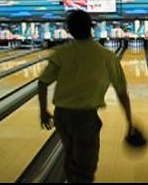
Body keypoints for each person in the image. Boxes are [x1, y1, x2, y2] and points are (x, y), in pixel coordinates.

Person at [38, 10, 132, 183]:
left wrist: (43, 111)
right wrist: (129, 121)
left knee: (70, 155)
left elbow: (42, 82)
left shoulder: (62, 53)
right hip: (85, 119)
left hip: (62, 116)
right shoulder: (107, 56)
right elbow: (121, 92)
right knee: (85, 167)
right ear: (92, 28)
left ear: (69, 31)